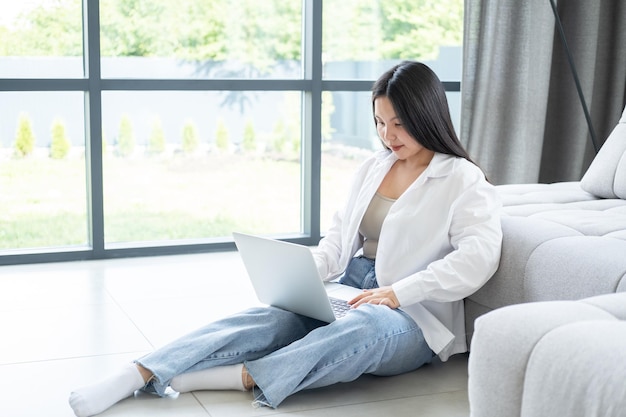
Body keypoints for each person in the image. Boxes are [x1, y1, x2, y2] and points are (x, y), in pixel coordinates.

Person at [69, 61, 502, 417]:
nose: (388, 136)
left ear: (427, 116)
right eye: (379, 122)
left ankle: (229, 377)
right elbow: (338, 239)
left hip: (414, 317)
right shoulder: (374, 166)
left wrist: (398, 292)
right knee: (269, 319)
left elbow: (477, 259)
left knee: (365, 328)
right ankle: (140, 371)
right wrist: (305, 279)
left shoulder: (463, 179)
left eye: (399, 124)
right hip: (352, 288)